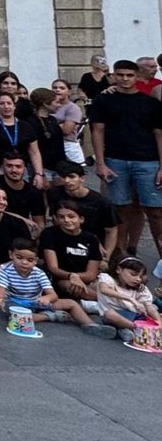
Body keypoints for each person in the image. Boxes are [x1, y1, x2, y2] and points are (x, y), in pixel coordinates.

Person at [88, 60, 162, 259]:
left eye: (129, 75)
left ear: (137, 76)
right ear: (113, 76)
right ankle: (120, 257)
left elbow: (159, 134)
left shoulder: (150, 103)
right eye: (120, 75)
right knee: (118, 209)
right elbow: (97, 131)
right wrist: (101, 163)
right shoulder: (103, 101)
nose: (125, 79)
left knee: (155, 211)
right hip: (115, 160)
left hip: (148, 161)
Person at [0, 238, 114, 338]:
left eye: (29, 260)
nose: (24, 262)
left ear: (35, 261)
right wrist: (0, 298)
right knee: (15, 316)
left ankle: (91, 325)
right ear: (11, 255)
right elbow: (0, 288)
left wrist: (47, 298)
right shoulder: (5, 269)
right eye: (19, 258)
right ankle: (50, 316)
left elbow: (52, 294)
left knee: (71, 303)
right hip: (16, 303)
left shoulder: (39, 273)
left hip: (36, 301)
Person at [39, 202, 105, 304]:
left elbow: (91, 274)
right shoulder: (49, 234)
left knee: (105, 286)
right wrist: (71, 276)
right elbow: (53, 267)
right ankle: (110, 304)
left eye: (71, 216)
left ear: (81, 219)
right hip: (61, 279)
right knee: (72, 286)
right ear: (56, 219)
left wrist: (77, 277)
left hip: (85, 278)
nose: (66, 220)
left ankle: (107, 303)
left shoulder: (91, 238)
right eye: (61, 217)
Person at [96, 256, 162, 342]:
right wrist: (130, 299)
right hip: (115, 317)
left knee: (156, 314)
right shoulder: (107, 279)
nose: (138, 279)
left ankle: (125, 331)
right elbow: (104, 289)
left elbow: (149, 307)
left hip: (135, 317)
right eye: (133, 274)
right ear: (119, 270)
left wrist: (159, 324)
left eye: (140, 277)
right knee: (109, 314)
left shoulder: (139, 288)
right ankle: (138, 330)